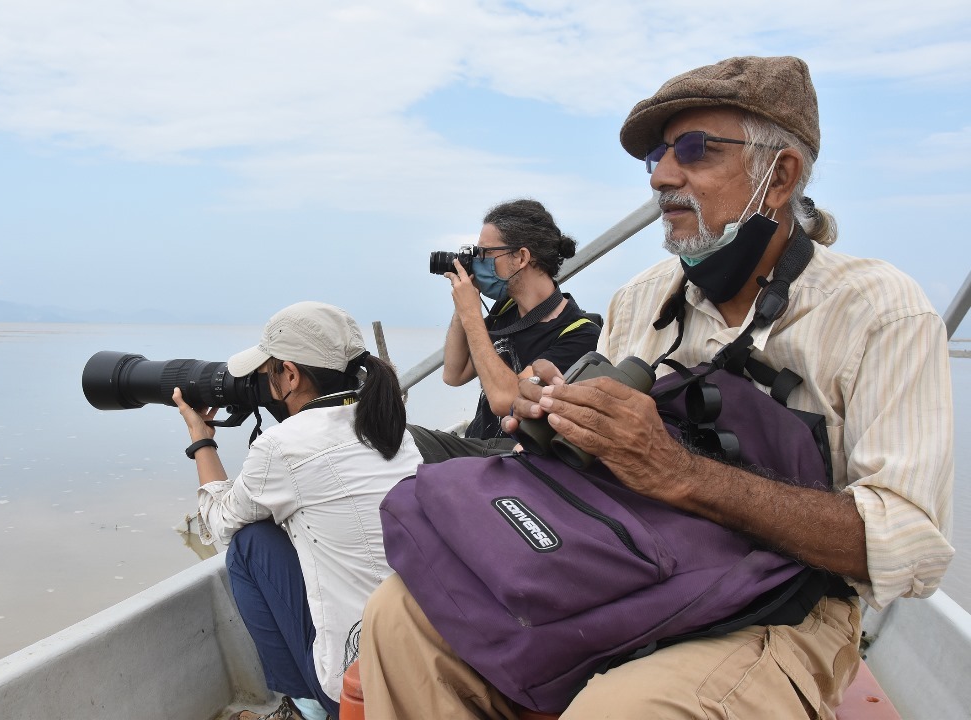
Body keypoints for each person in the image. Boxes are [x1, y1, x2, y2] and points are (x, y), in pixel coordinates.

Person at [359, 55, 954, 719]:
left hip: (788, 604)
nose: (664, 176)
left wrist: (680, 472)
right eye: (657, 156)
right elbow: (598, 466)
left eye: (695, 151)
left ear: (780, 176)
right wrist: (561, 414)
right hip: (632, 557)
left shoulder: (878, 311)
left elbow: (909, 546)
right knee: (399, 615)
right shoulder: (643, 299)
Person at [173, 301, 423, 720]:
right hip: (421, 657)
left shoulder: (283, 446)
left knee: (249, 543)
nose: (264, 384)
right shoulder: (392, 428)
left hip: (356, 688)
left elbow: (219, 524)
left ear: (290, 374)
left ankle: (307, 709)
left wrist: (202, 438)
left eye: (268, 372)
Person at [442, 199, 601, 439]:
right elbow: (454, 374)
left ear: (521, 257)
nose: (478, 261)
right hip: (475, 448)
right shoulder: (506, 310)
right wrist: (463, 304)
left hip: (514, 458)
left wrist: (472, 314)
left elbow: (505, 400)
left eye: (485, 253)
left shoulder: (579, 335)